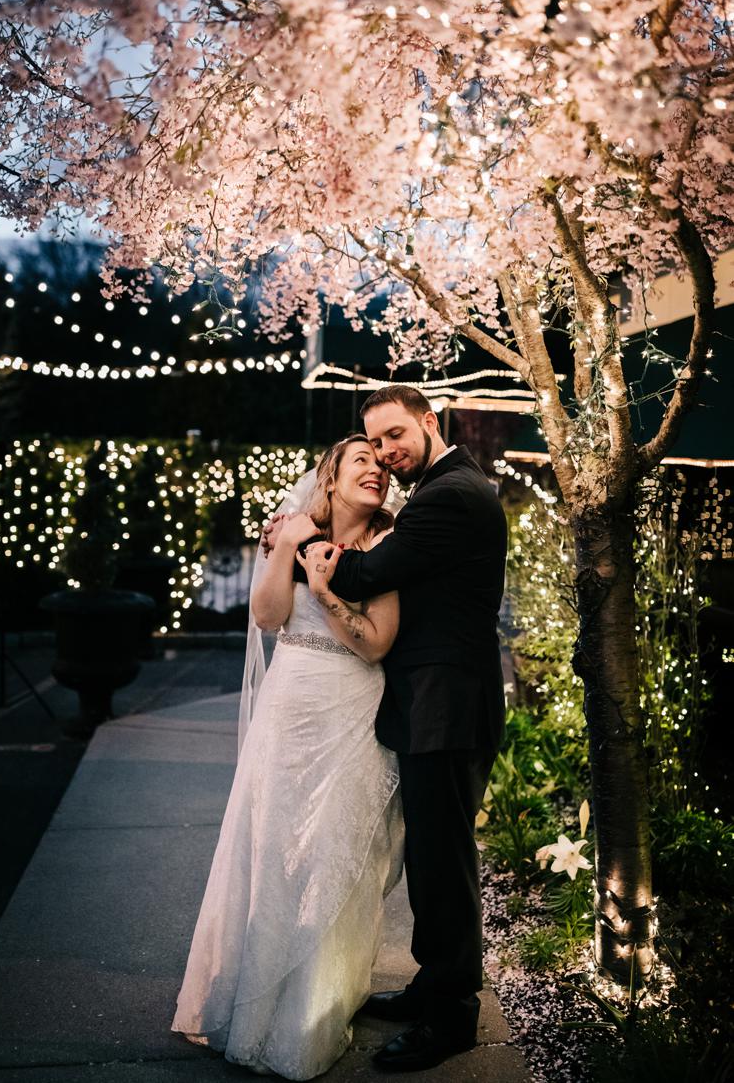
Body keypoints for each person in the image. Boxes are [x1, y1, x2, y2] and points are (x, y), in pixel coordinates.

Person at [173, 434, 404, 1080]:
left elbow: (376, 644)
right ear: (329, 478)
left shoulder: (390, 544)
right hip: (289, 704)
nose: (376, 472)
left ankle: (310, 1015)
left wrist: (327, 587)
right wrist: (285, 547)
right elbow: (269, 614)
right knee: (271, 848)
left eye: (382, 466)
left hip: (354, 710)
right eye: (361, 460)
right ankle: (252, 1006)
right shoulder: (292, 529)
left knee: (333, 855)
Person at [300, 385, 507, 1073]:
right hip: (436, 705)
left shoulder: (451, 495)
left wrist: (309, 540)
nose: (387, 452)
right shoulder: (444, 489)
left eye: (395, 435)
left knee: (444, 865)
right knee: (430, 858)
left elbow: (365, 570)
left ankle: (451, 1016)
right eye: (377, 442)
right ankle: (432, 985)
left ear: (428, 421)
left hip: (448, 705)